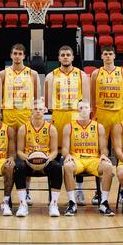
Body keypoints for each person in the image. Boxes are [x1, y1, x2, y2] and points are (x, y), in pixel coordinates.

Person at [44, 45, 90, 206]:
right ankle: (53, 193)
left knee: (77, 152)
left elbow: (86, 99)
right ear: (58, 57)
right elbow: (48, 102)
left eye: (68, 55)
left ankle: (79, 191)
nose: (65, 57)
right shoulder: (51, 76)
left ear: (72, 57)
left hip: (75, 115)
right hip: (58, 114)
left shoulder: (81, 75)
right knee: (55, 153)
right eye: (62, 55)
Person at [0, 43, 40, 205]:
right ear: (11, 55)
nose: (17, 56)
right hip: (8, 114)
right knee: (9, 154)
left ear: (24, 56)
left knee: (26, 154)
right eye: (15, 53)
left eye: (20, 53)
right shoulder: (2, 74)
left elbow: (36, 98)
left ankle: (26, 192)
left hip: (25, 115)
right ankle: (7, 194)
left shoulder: (32, 74)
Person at [90, 45, 123, 205]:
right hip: (101, 114)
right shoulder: (95, 73)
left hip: (118, 114)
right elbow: (92, 96)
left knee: (121, 153)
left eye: (110, 53)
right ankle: (98, 192)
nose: (107, 56)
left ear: (114, 55)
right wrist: (94, 113)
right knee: (100, 154)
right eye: (105, 54)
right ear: (102, 56)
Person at [62, 101, 115, 216]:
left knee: (108, 167)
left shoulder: (98, 127)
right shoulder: (69, 127)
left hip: (93, 160)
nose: (84, 109)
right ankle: (72, 203)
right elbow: (65, 148)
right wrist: (67, 155)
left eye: (86, 107)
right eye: (81, 107)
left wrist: (104, 155)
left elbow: (104, 148)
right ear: (77, 110)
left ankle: (104, 203)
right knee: (67, 166)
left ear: (90, 110)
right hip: (77, 159)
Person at [14, 99, 61, 217]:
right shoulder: (23, 128)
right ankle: (22, 203)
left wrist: (47, 160)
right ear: (31, 111)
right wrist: (28, 159)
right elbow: (19, 151)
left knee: (57, 167)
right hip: (29, 161)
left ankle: (53, 204)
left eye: (40, 109)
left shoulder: (51, 128)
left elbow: (55, 151)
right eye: (35, 109)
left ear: (45, 111)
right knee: (19, 167)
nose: (38, 111)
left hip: (46, 161)